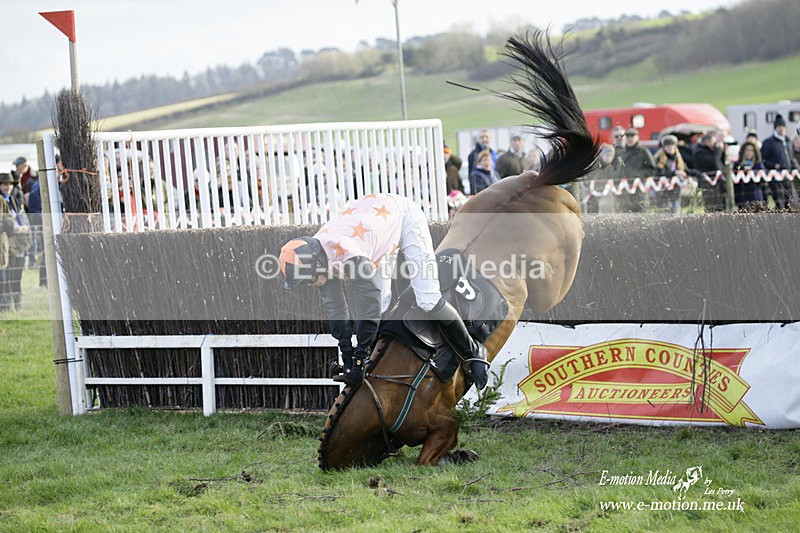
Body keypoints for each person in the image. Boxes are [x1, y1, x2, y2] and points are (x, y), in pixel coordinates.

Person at [279, 193, 488, 389]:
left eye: (307, 280)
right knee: (382, 305)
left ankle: (474, 351)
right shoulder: (318, 253)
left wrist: (360, 358)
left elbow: (367, 309)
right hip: (376, 229)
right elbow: (336, 311)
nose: (309, 285)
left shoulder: (350, 257)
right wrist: (348, 358)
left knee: (427, 298)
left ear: (317, 266)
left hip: (404, 218)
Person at [0, 173, 31, 312]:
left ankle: (17, 306)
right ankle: (7, 307)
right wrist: (15, 228)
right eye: (5, 184)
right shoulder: (2, 201)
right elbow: (7, 224)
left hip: (20, 243)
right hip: (8, 244)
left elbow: (21, 217)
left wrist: (24, 226)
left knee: (18, 276)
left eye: (10, 184)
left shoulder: (12, 200)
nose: (8, 187)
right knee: (9, 277)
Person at [761, 115, 798, 209]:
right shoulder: (768, 142)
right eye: (779, 127)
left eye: (783, 127)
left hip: (788, 177)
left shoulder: (788, 141)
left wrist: (797, 168)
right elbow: (763, 159)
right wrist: (773, 165)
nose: (781, 129)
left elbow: (791, 158)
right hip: (776, 178)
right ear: (775, 128)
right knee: (780, 202)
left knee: (792, 201)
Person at [617, 128, 655, 212]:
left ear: (637, 137)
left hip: (640, 191)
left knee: (642, 216)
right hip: (625, 193)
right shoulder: (622, 153)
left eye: (632, 136)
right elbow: (618, 170)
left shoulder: (643, 151)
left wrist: (638, 175)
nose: (630, 139)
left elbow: (652, 170)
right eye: (628, 136)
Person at [652, 135, 687, 213]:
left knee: (676, 210)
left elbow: (686, 169)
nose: (670, 148)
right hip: (664, 191)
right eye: (668, 146)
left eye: (672, 146)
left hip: (676, 190)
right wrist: (675, 173)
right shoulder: (660, 158)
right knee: (666, 211)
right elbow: (659, 172)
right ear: (664, 147)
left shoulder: (678, 158)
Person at [692, 132, 726, 212]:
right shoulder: (700, 152)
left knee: (721, 206)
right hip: (708, 185)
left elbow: (721, 163)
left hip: (717, 184)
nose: (715, 144)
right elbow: (714, 163)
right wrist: (718, 150)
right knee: (711, 208)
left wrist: (722, 152)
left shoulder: (711, 151)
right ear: (707, 142)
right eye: (714, 142)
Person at [583, 144, 618, 213]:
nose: (609, 158)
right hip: (591, 198)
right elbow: (588, 181)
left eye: (611, 156)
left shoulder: (610, 168)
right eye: (607, 155)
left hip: (605, 198)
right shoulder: (594, 165)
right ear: (602, 155)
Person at [731, 142, 765, 208]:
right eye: (747, 150)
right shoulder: (739, 164)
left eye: (751, 150)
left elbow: (762, 173)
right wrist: (741, 165)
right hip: (742, 196)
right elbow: (736, 170)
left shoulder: (757, 163)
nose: (749, 152)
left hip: (755, 195)